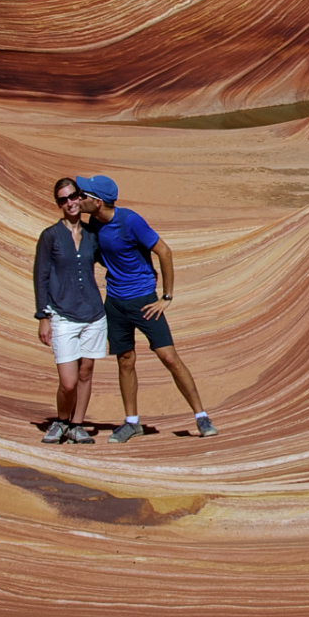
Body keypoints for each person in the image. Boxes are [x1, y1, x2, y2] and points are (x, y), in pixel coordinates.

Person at [73, 174, 215, 442]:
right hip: (114, 302)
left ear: (98, 202)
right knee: (125, 360)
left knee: (169, 357)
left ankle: (201, 417)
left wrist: (166, 297)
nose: (79, 199)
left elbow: (164, 251)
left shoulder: (130, 221)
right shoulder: (93, 222)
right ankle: (132, 422)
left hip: (144, 302)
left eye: (84, 196)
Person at [32, 178, 105, 445]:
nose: (70, 203)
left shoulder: (92, 235)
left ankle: (77, 425)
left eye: (73, 196)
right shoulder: (50, 236)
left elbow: (114, 257)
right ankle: (61, 420)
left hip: (94, 314)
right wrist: (43, 317)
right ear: (58, 204)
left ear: (80, 197)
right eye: (63, 199)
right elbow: (40, 276)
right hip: (62, 315)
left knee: (86, 372)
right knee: (69, 381)